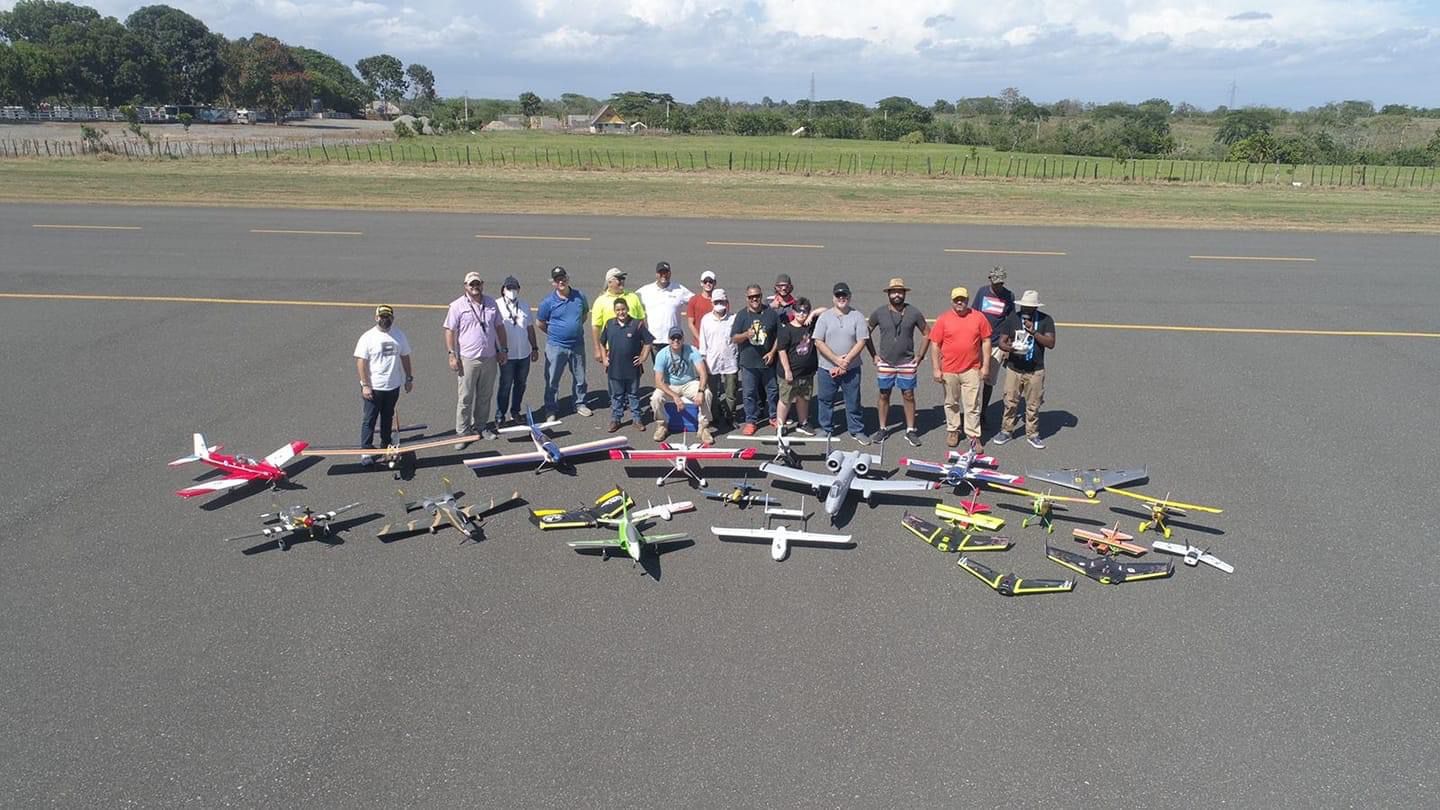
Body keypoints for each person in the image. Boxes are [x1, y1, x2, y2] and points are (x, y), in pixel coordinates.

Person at [444, 271, 508, 447]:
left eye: (477, 283)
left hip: (489, 357)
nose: (475, 287)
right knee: (465, 398)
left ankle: (480, 426)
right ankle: (463, 433)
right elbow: (450, 330)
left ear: (482, 284)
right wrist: (452, 355)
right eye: (471, 284)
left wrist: (503, 349)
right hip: (468, 359)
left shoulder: (491, 303)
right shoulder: (457, 306)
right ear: (465, 286)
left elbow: (499, 327)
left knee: (485, 395)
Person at [867, 277, 929, 447]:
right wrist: (873, 355)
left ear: (904, 294)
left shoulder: (914, 312)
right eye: (893, 292)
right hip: (885, 361)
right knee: (884, 394)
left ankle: (910, 430)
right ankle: (882, 428)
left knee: (908, 394)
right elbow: (866, 333)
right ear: (888, 294)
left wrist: (920, 356)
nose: (896, 295)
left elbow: (927, 333)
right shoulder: (879, 313)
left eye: (899, 292)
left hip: (907, 362)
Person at [991, 290, 1056, 450]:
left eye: (1029, 307)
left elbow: (1050, 343)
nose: (1026, 309)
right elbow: (1001, 341)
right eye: (1024, 306)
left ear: (1035, 307)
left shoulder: (1045, 320)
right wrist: (1010, 348)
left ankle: (1032, 434)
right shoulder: (1012, 318)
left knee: (1033, 404)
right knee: (1010, 401)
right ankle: (1006, 430)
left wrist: (1033, 332)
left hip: (1035, 369)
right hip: (1014, 369)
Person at [928, 287, 992, 450]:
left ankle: (973, 436)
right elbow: (935, 344)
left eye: (962, 299)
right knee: (951, 402)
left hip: (972, 369)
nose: (959, 302)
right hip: (949, 369)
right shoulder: (943, 319)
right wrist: (936, 368)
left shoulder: (978, 317)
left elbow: (986, 341)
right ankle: (953, 430)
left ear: (967, 300)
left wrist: (985, 366)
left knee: (972, 405)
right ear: (952, 300)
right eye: (957, 299)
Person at [354, 305, 413, 465]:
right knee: (369, 419)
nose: (384, 319)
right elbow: (361, 361)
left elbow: (405, 356)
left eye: (387, 317)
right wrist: (365, 384)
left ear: (392, 318)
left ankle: (385, 444)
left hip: (393, 386)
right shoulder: (368, 337)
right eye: (382, 316)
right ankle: (366, 451)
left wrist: (409, 378)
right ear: (376, 318)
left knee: (388, 417)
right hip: (374, 387)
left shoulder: (399, 335)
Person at [813, 282, 871, 442]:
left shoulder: (857, 316)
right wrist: (836, 359)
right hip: (827, 368)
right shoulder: (825, 317)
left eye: (844, 295)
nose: (841, 298)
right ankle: (826, 428)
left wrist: (846, 361)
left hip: (851, 369)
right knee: (825, 400)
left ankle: (857, 430)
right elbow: (818, 341)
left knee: (853, 400)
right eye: (838, 295)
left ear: (849, 297)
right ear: (833, 298)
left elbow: (861, 341)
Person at [536, 266, 593, 419]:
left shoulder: (580, 296)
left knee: (580, 377)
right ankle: (551, 408)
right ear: (553, 283)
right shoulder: (548, 302)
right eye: (557, 279)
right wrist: (555, 333)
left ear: (568, 278)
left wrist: (573, 328)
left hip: (577, 345)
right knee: (552, 379)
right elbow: (540, 322)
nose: (561, 281)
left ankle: (580, 403)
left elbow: (584, 314)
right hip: (556, 346)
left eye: (563, 278)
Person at [730, 284, 780, 435]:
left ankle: (774, 416)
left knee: (772, 391)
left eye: (757, 296)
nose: (754, 299)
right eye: (751, 297)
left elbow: (779, 336)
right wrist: (746, 335)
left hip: (768, 362)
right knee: (749, 393)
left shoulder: (770, 314)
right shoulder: (742, 316)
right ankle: (751, 421)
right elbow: (734, 338)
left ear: (761, 296)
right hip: (749, 363)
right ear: (747, 298)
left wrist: (772, 352)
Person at [651, 326, 714, 444]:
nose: (676, 341)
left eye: (678, 337)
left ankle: (703, 427)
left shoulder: (692, 350)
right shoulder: (662, 354)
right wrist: (675, 396)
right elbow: (658, 381)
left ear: (683, 339)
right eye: (673, 338)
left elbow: (703, 373)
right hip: (670, 385)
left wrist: (700, 392)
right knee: (656, 397)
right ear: (669, 339)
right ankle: (662, 425)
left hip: (689, 383)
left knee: (707, 393)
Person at [599, 298, 652, 432]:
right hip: (614, 368)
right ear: (614, 311)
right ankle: (616, 419)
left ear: (627, 309)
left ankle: (637, 419)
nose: (621, 312)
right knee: (617, 395)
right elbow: (602, 342)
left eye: (623, 309)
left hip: (632, 368)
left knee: (633, 394)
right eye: (618, 310)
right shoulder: (609, 324)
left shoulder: (637, 324)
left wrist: (643, 357)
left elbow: (648, 341)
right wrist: (604, 358)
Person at [971, 266, 1014, 431]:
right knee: (973, 380)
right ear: (990, 279)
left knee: (989, 381)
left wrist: (1007, 347)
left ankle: (983, 412)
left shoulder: (1008, 296)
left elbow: (1010, 321)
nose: (998, 286)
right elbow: (974, 314)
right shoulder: (982, 292)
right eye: (995, 283)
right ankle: (972, 412)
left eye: (1001, 283)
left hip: (996, 344)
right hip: (979, 343)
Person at [494, 275, 538, 425]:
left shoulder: (524, 305)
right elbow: (494, 330)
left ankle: (515, 412)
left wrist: (534, 347)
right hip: (507, 354)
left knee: (521, 384)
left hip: (523, 354)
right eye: (509, 288)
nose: (512, 291)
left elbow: (530, 328)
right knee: (505, 385)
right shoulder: (497, 305)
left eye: (514, 288)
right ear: (503, 290)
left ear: (519, 289)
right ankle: (500, 415)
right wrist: (498, 350)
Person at [697, 287, 739, 431]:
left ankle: (730, 416)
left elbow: (738, 339)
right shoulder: (706, 320)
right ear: (712, 303)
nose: (719, 304)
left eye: (722, 301)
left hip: (730, 361)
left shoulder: (734, 319)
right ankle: (714, 416)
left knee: (731, 392)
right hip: (711, 362)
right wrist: (702, 361)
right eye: (717, 301)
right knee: (712, 393)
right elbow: (703, 342)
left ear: (726, 302)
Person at [774, 296, 817, 436]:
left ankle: (803, 423)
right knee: (785, 399)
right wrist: (787, 370)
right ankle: (780, 425)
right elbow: (782, 351)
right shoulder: (786, 329)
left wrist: (813, 314)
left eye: (805, 311)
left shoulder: (810, 325)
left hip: (807, 372)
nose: (802, 314)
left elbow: (825, 310)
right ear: (793, 311)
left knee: (803, 398)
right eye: (799, 311)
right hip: (790, 372)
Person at [636, 260, 693, 358]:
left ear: (670, 273)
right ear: (656, 274)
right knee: (658, 371)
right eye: (660, 273)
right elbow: (630, 300)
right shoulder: (646, 290)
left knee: (674, 371)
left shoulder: (679, 289)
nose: (663, 275)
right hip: (654, 340)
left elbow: (695, 301)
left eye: (666, 272)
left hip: (674, 340)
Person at [591, 267, 646, 363]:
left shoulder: (633, 297)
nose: (622, 281)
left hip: (633, 347)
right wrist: (597, 349)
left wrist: (643, 346)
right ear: (609, 282)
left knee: (634, 377)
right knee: (615, 376)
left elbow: (641, 321)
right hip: (611, 350)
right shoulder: (600, 301)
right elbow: (596, 327)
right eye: (618, 279)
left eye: (623, 279)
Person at [686, 269, 718, 343]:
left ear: (715, 283)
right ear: (701, 283)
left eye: (710, 281)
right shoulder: (694, 300)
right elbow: (691, 324)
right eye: (705, 281)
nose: (708, 284)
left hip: (716, 343)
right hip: (699, 345)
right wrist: (700, 339)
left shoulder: (721, 301)